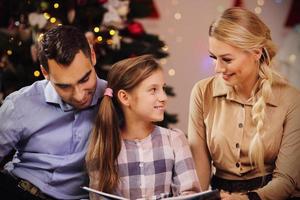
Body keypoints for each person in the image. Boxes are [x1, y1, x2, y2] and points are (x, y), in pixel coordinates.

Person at [188, 7, 300, 200]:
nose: (218, 68)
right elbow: (200, 169)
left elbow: (286, 180)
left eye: (227, 59)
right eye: (214, 57)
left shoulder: (291, 98)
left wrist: (246, 199)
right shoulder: (201, 92)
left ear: (256, 53)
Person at [0, 25, 107, 199]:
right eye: (64, 86)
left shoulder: (116, 100)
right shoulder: (20, 104)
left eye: (85, 79)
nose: (79, 96)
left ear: (93, 56)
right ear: (45, 72)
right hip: (21, 190)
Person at [86, 55, 200, 200]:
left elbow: (190, 194)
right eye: (153, 90)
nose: (163, 97)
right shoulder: (104, 146)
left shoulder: (175, 140)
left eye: (162, 88)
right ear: (125, 97)